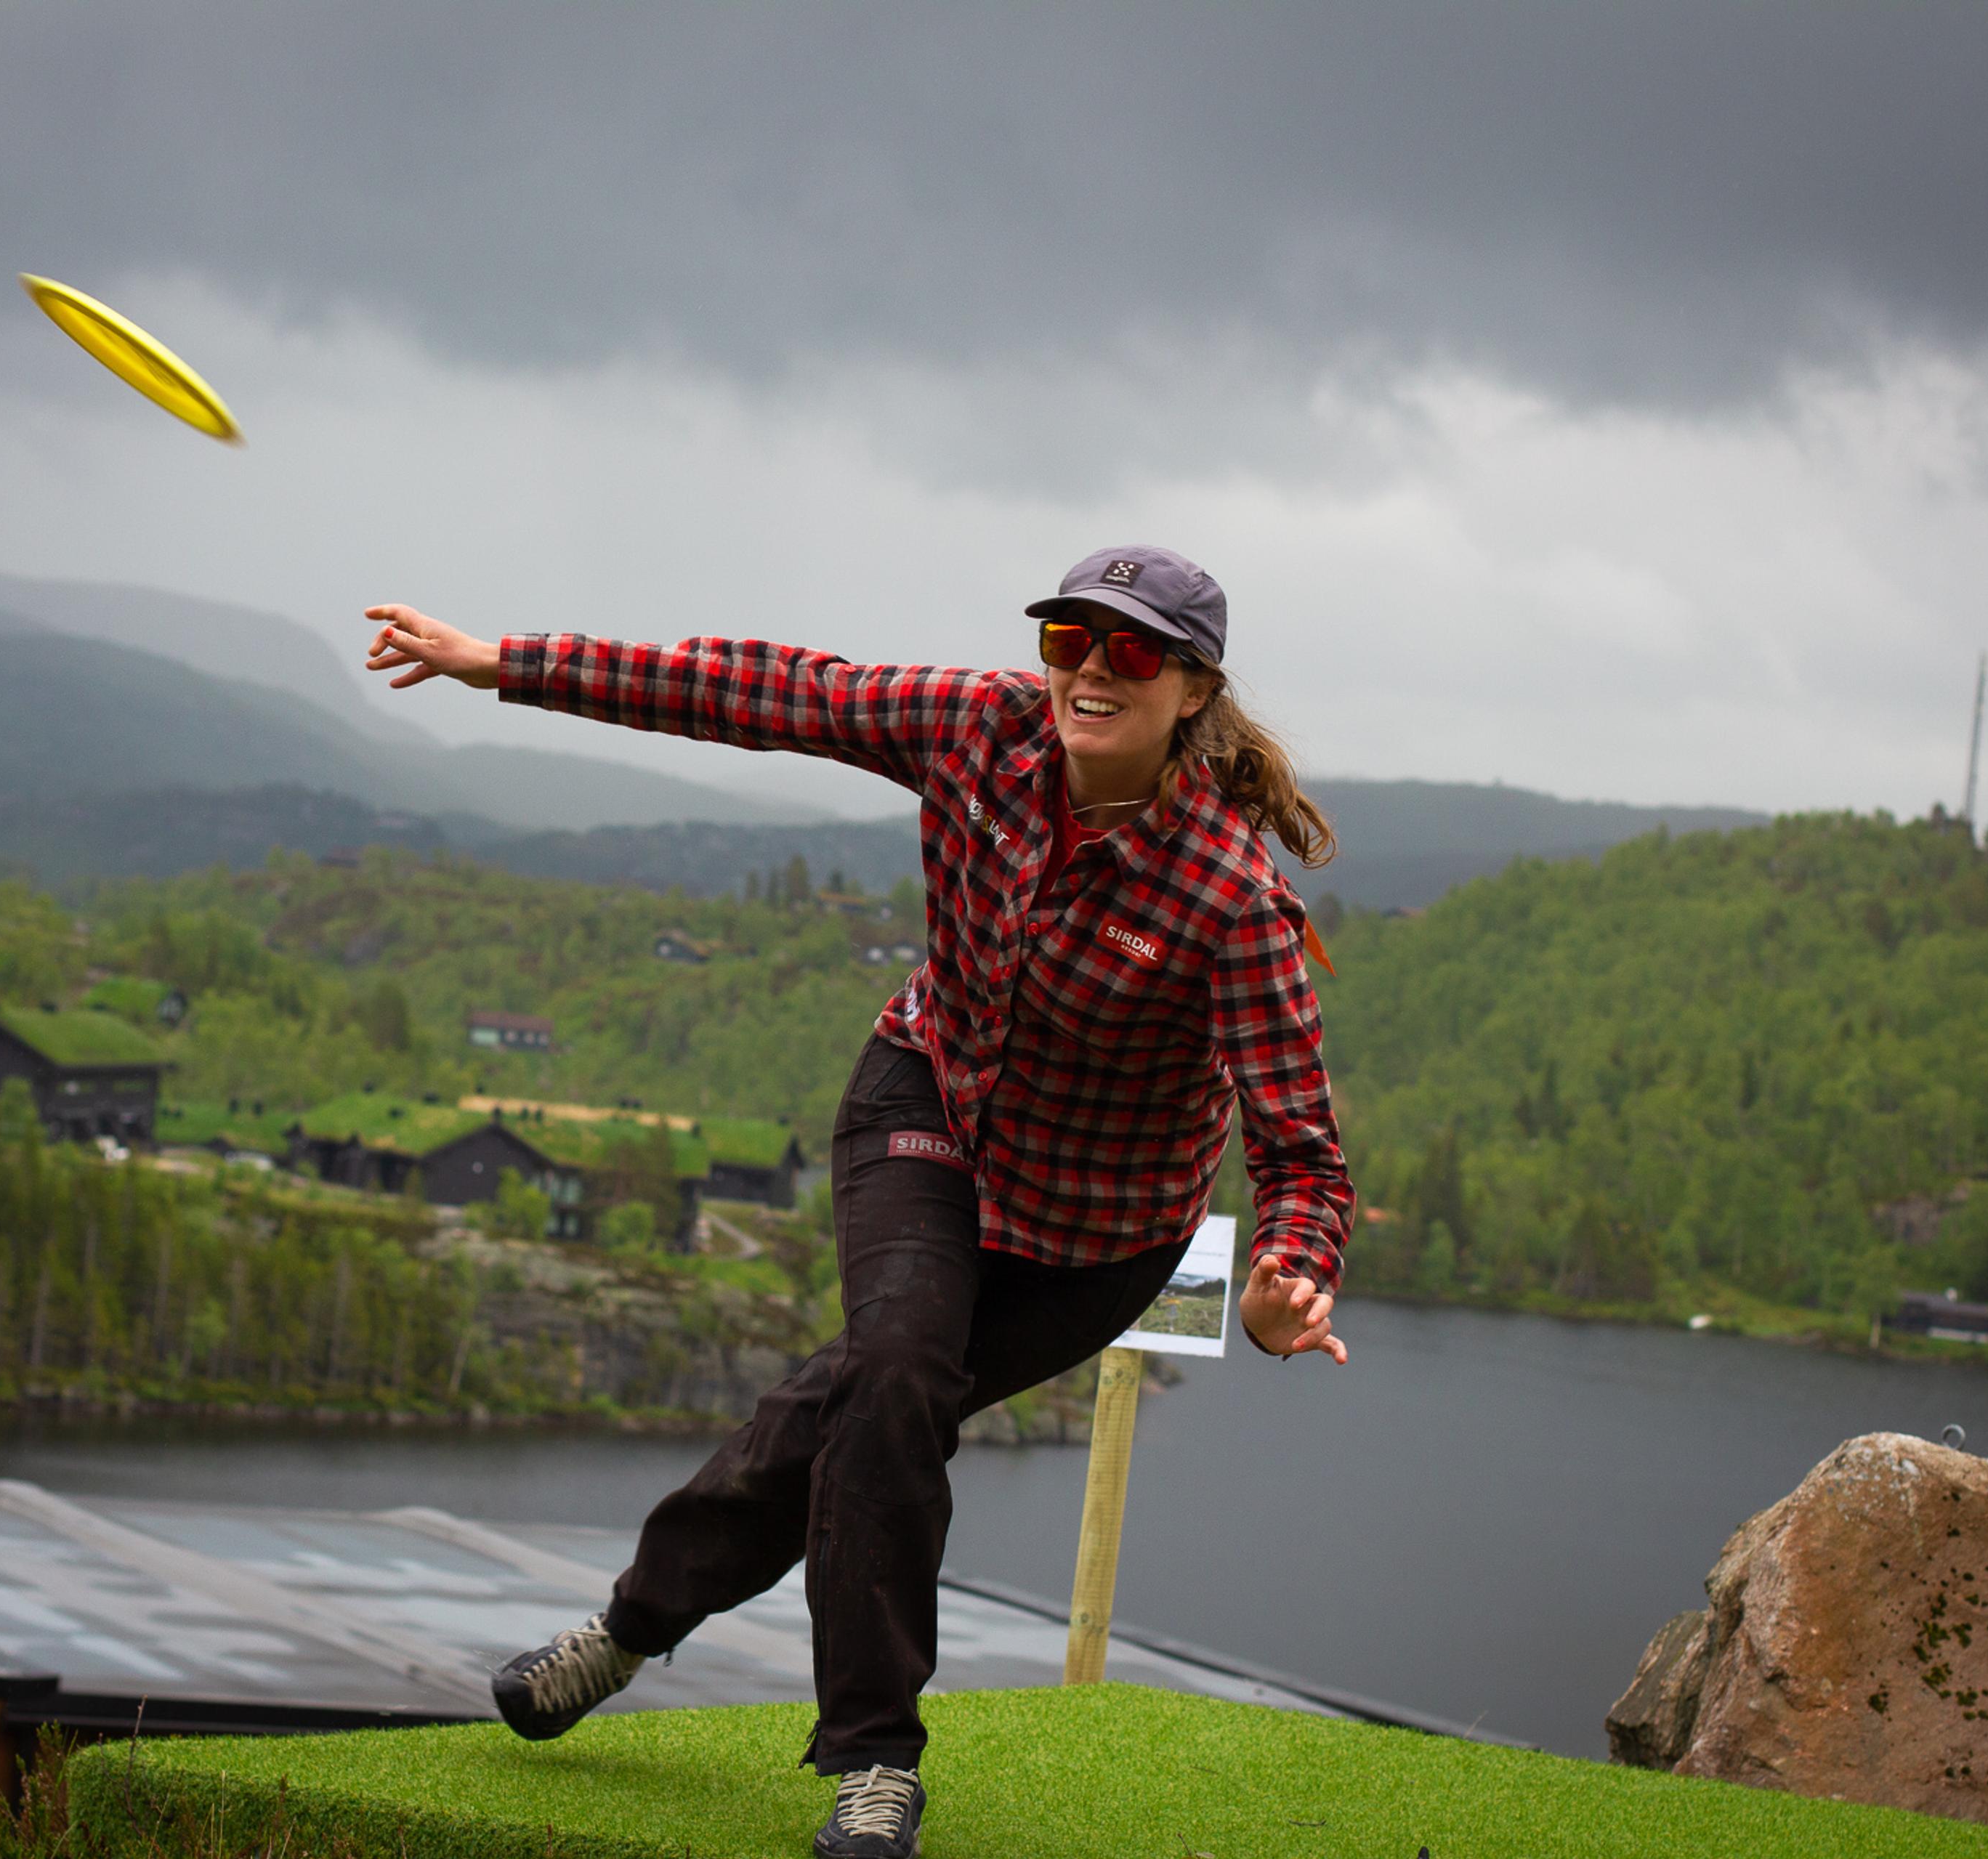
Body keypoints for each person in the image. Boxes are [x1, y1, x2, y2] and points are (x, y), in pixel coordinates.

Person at [362, 545, 1354, 1859]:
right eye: (1071, 641)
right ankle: (876, 1765)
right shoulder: (976, 730)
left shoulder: (1231, 895)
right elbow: (763, 691)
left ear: (1194, 689)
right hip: (926, 1110)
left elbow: (1299, 1150)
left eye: (1132, 653)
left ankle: (625, 1634)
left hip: (1099, 1237)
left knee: (849, 1410)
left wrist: (1290, 1277)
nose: (1089, 673)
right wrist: (504, 665)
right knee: (894, 1369)